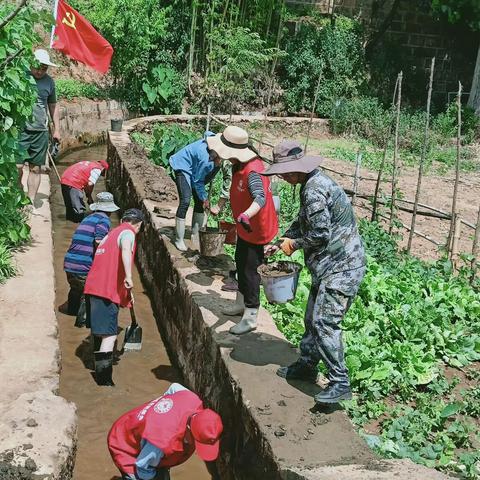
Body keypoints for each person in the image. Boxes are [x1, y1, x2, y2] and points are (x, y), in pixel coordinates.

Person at [263, 140, 366, 404]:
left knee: (324, 322)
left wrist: (293, 245)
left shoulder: (314, 190)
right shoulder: (310, 185)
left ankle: (340, 381)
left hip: (341, 267)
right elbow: (303, 221)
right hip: (327, 266)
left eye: (285, 172)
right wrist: (283, 240)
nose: (283, 177)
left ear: (298, 168)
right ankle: (307, 366)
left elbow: (320, 235)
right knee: (311, 318)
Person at [206, 126, 278, 335]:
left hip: (256, 228)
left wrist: (246, 214)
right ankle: (240, 303)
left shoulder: (253, 171)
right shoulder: (238, 166)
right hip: (244, 227)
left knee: (251, 271)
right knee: (239, 262)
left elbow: (260, 198)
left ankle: (251, 315)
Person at [108, 383, 223, 480]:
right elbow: (141, 466)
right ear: (188, 429)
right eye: (197, 442)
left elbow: (175, 386)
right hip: (123, 444)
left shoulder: (192, 399)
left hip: (141, 430)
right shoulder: (162, 442)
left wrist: (164, 406)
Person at [83, 208, 144, 386]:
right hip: (105, 291)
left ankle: (93, 366)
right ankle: (103, 382)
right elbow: (126, 250)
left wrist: (126, 294)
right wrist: (129, 276)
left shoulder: (110, 235)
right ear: (138, 224)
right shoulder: (128, 232)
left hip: (92, 288)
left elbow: (110, 265)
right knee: (109, 335)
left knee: (98, 332)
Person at [60, 192, 120, 327]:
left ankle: (71, 314)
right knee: (88, 293)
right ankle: (81, 323)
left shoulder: (88, 218)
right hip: (83, 266)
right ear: (109, 210)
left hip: (70, 263)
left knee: (76, 289)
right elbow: (98, 241)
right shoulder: (104, 220)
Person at [168, 132, 231, 251]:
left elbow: (208, 133)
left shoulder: (216, 150)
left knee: (199, 202)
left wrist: (203, 198)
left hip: (195, 169)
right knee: (186, 200)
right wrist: (205, 198)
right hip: (183, 166)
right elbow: (198, 181)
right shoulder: (206, 159)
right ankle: (179, 239)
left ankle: (195, 235)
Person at [16, 49, 60, 205]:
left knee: (35, 168)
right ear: (31, 64)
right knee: (18, 166)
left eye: (44, 68)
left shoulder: (49, 82)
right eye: (38, 67)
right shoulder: (20, 75)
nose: (40, 71)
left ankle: (30, 200)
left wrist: (57, 129)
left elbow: (53, 106)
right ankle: (19, 194)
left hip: (40, 131)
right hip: (20, 129)